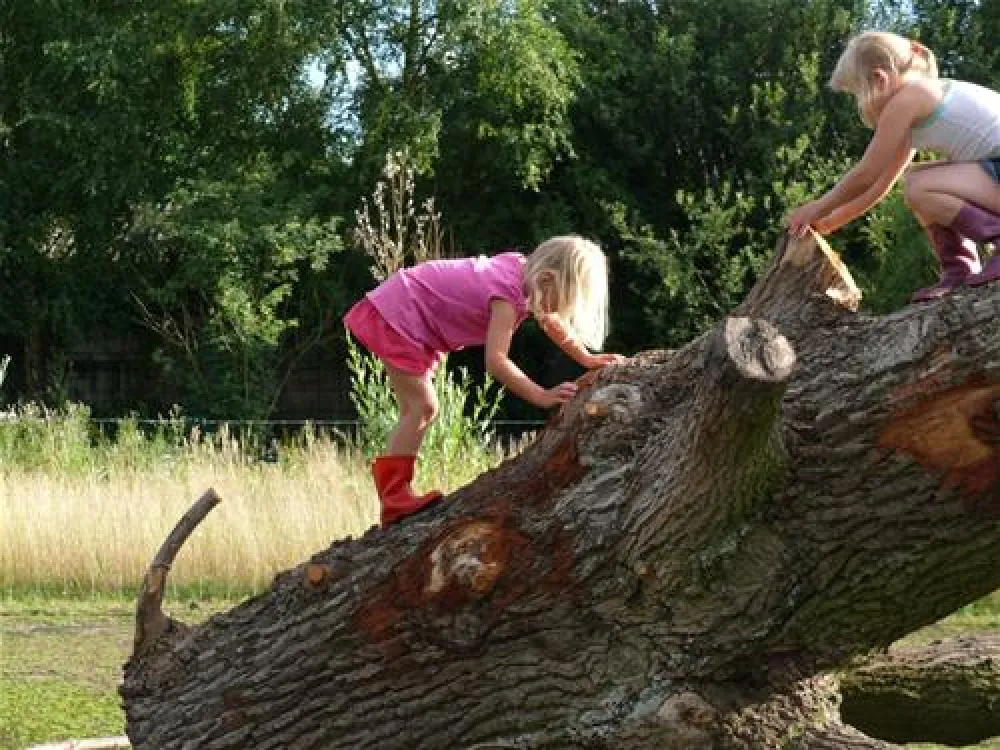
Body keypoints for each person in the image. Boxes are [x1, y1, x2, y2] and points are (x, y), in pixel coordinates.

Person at [343, 235, 624, 527]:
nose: (559, 310)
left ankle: (395, 496)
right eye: (563, 300)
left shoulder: (521, 272)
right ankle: (394, 498)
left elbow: (551, 322)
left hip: (410, 312)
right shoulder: (506, 296)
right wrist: (541, 395)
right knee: (421, 408)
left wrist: (586, 358)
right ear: (547, 280)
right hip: (401, 313)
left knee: (420, 408)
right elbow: (496, 362)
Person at [785, 31, 1000, 301]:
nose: (858, 104)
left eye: (856, 93)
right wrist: (830, 221)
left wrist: (816, 207)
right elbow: (881, 183)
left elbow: (866, 173)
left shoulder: (908, 100)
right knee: (916, 180)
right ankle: (959, 271)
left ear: (878, 78)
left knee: (920, 186)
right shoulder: (919, 100)